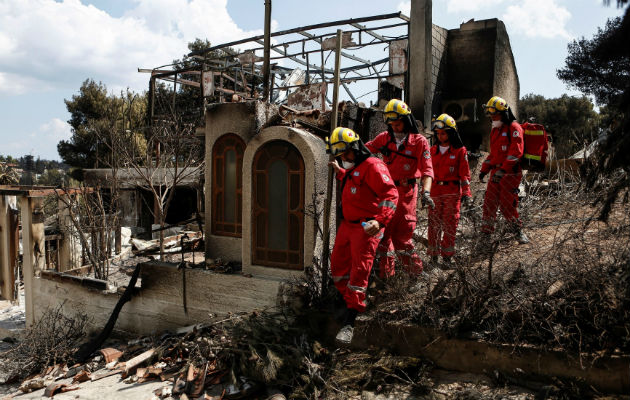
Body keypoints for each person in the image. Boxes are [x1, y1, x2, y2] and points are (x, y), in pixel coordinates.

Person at [327, 126, 398, 346]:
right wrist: (339, 170)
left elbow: (390, 193)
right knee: (338, 267)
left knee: (359, 273)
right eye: (340, 155)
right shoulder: (352, 167)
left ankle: (350, 322)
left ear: (356, 148)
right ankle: (348, 302)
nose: (344, 157)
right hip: (348, 226)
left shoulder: (374, 166)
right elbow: (354, 184)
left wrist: (380, 220)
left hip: (366, 227)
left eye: (345, 153)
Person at [365, 99, 434, 278]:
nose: (395, 127)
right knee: (383, 236)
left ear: (407, 120)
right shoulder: (383, 139)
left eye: (398, 123)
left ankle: (416, 275)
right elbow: (364, 151)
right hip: (386, 193)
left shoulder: (419, 142)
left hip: (406, 193)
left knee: (402, 238)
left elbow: (427, 169)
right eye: (392, 124)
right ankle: (387, 278)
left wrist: (426, 192)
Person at [479, 96, 529, 244]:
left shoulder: (514, 128)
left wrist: (503, 170)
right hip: (496, 173)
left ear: (504, 113)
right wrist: (484, 169)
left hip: (510, 173)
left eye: (495, 115)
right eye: (491, 115)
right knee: (489, 203)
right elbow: (492, 155)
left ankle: (517, 231)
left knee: (507, 204)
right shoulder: (495, 131)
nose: (493, 118)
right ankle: (486, 235)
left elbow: (516, 152)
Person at [427, 114, 472, 268]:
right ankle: (433, 257)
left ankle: (447, 257)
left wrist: (466, 193)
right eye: (438, 133)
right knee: (433, 225)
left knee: (449, 225)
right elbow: (427, 173)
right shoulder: (432, 151)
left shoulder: (460, 151)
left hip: (452, 192)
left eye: (444, 133)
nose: (440, 136)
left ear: (451, 133)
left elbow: (464, 174)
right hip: (434, 192)